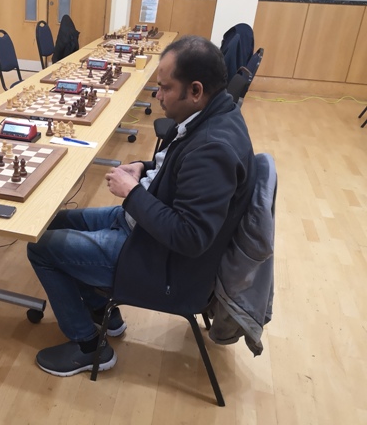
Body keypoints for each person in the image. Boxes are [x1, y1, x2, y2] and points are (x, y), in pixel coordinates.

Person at [27, 35, 256, 377]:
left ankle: (88, 347)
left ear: (195, 90)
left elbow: (190, 237)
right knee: (52, 223)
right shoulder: (213, 115)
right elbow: (180, 170)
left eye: (165, 88)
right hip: (142, 226)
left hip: (158, 261)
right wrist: (145, 168)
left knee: (40, 247)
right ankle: (104, 313)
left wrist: (133, 193)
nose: (158, 96)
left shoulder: (213, 149)